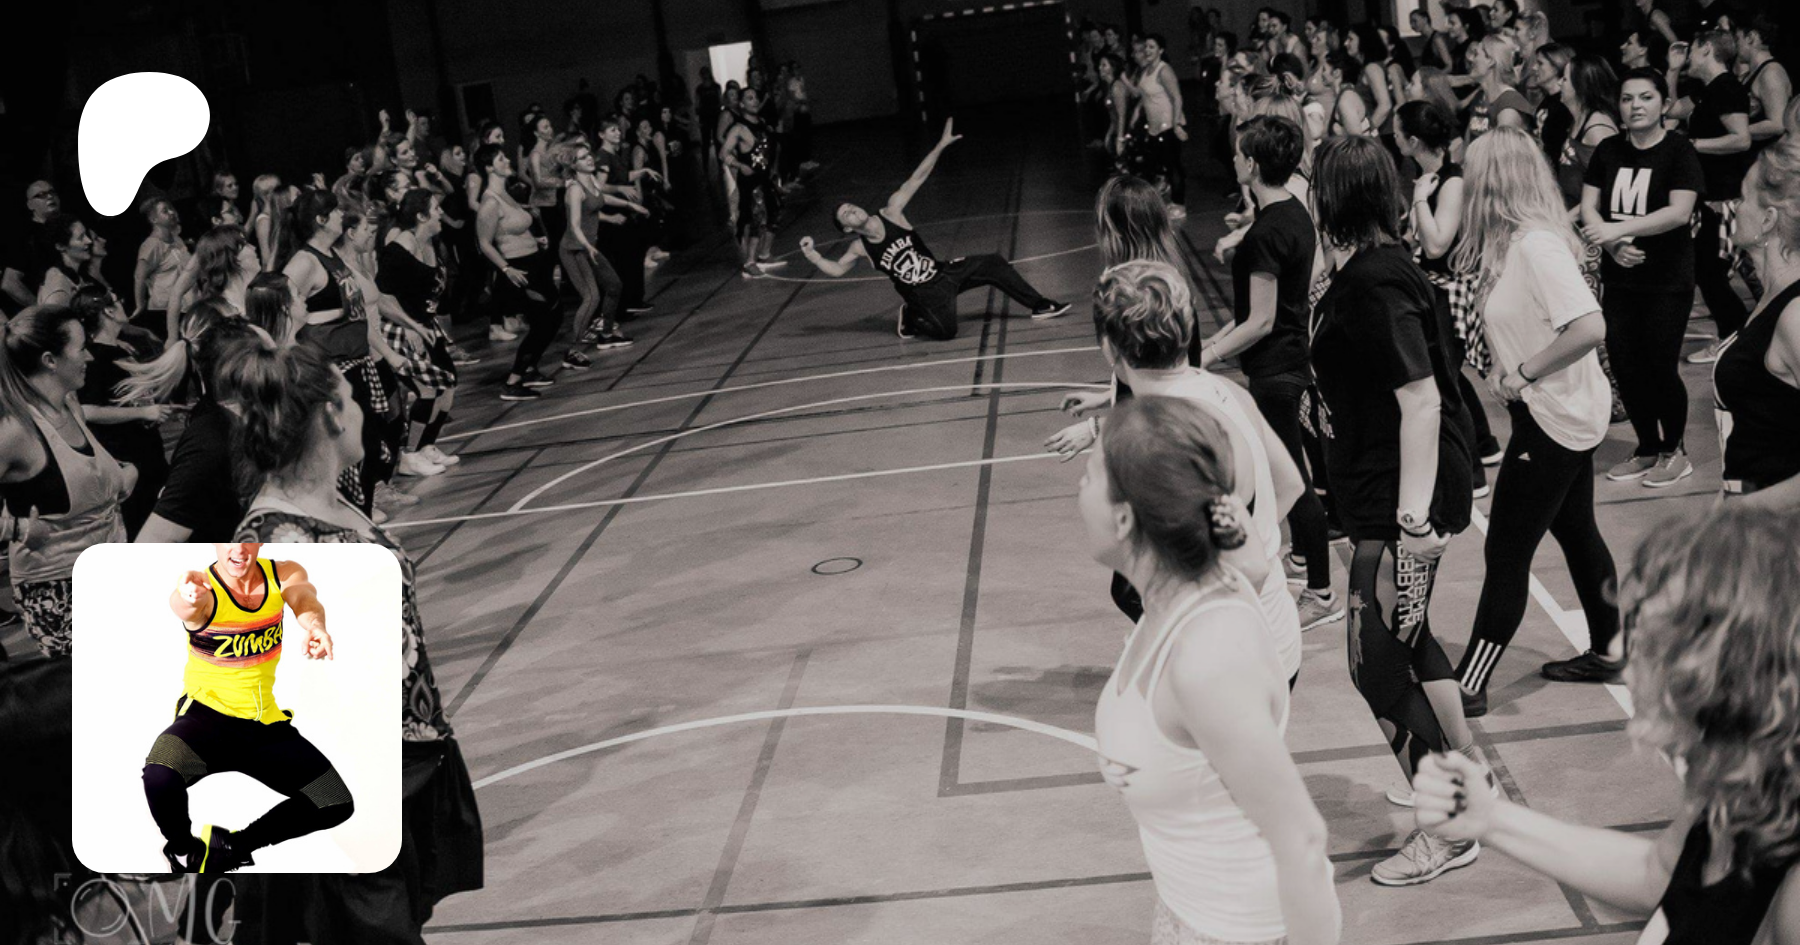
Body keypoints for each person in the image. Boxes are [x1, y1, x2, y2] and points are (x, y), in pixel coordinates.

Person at [1412, 503, 1800, 945]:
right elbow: (1657, 875)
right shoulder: (1740, 781)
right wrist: (1491, 818)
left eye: (1652, 642)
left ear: (1727, 672)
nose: (1623, 655)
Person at [221, 340, 481, 940]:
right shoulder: (275, 537)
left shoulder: (336, 504)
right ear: (332, 415)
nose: (367, 409)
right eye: (354, 398)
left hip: (405, 753)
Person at [1086, 395, 1340, 945]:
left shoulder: (1206, 661)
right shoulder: (1190, 593)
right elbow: (1250, 553)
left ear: (1124, 516)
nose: (1078, 492)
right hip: (1186, 910)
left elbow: (1302, 843)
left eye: (1088, 478)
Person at [1308, 135, 1484, 885]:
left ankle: (1451, 827)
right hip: (1380, 488)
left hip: (1398, 503)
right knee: (1409, 641)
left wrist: (1411, 523)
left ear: (1333, 197)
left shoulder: (1377, 280)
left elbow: (1421, 398)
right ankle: (1465, 770)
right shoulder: (1365, 268)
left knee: (1374, 666)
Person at [1448, 128, 1622, 708]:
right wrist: (1509, 365)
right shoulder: (1516, 243)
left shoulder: (1537, 247)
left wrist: (1524, 372)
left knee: (1506, 553)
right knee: (1577, 531)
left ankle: (1469, 685)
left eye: (1472, 172)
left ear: (1493, 180)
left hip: (1553, 419)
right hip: (1554, 412)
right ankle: (1611, 649)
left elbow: (1589, 327)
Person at [1086, 260, 1308, 688]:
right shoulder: (1225, 390)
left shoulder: (1170, 435)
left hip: (1234, 658)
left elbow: (1251, 569)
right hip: (1273, 632)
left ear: (1109, 348)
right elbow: (1290, 486)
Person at [1198, 116, 1341, 630]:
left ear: (1253, 165)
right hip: (1291, 358)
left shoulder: (1265, 234)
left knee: (1292, 481)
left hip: (1276, 370)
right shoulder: (1293, 213)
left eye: (1240, 153)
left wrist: (1207, 355)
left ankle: (1321, 593)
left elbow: (1259, 321)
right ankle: (1303, 561)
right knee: (1289, 474)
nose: (1234, 159)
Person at [142, 543, 351, 873]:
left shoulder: (283, 573)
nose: (238, 550)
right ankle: (183, 852)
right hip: (205, 719)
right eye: (229, 542)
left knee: (334, 801)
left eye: (246, 541)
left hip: (263, 725)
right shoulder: (205, 590)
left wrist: (315, 626)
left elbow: (304, 598)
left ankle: (233, 846)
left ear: (259, 540)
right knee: (159, 773)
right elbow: (183, 606)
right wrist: (187, 597)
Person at [800, 120, 1070, 340]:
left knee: (993, 263)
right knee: (946, 332)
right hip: (924, 294)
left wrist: (940, 146)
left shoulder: (892, 211)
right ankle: (911, 315)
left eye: (850, 206)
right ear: (848, 228)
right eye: (846, 214)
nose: (852, 210)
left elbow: (917, 177)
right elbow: (837, 269)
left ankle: (1040, 305)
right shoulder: (860, 247)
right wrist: (814, 256)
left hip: (943, 272)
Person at [1582, 69, 1704, 488]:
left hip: (1667, 279)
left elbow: (1679, 212)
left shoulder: (1678, 151)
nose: (1635, 106)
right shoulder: (1609, 150)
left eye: (1646, 97)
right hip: (1621, 279)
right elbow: (1590, 206)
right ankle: (1647, 446)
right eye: (1627, 98)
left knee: (1660, 366)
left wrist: (1615, 230)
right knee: (1624, 364)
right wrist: (1613, 245)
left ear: (1664, 104)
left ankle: (1675, 451)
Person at [0, 305, 133, 658]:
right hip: (59, 589)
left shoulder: (69, 405)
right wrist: (16, 528)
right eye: (81, 348)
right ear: (50, 360)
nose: (89, 357)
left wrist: (123, 472)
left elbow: (84, 471)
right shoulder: (15, 430)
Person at [1712, 138, 1800, 505]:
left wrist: (1748, 510)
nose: (1733, 207)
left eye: (1743, 198)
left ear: (1768, 219)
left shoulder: (1795, 315)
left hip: (1779, 527)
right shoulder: (1770, 298)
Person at [136, 318, 264, 543]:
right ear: (246, 371)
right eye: (268, 357)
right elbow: (152, 542)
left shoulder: (254, 421)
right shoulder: (210, 440)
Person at [1670, 31, 1754, 365]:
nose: (1688, 55)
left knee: (1712, 274)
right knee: (1710, 273)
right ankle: (1740, 336)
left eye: (1692, 49)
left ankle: (1734, 337)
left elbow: (1741, 139)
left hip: (1724, 198)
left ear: (1706, 49)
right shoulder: (1706, 90)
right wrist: (1672, 70)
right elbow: (1672, 110)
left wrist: (1694, 145)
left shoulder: (1727, 88)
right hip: (1708, 196)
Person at [70, 285, 174, 539]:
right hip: (127, 454)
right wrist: (144, 413)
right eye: (117, 300)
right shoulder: (95, 359)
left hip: (145, 450)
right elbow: (87, 411)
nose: (121, 305)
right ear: (107, 311)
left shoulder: (121, 347)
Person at [473, 144, 561, 401]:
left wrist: (536, 240)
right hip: (518, 269)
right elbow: (484, 243)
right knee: (543, 320)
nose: (507, 161)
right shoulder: (490, 202)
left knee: (554, 315)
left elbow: (516, 227)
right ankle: (513, 380)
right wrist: (506, 268)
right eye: (501, 158)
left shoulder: (507, 195)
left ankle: (530, 368)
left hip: (535, 263)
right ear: (489, 167)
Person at [560, 142, 634, 353]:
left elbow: (601, 198)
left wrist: (629, 204)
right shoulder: (575, 189)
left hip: (589, 247)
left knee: (614, 286)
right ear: (574, 165)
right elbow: (574, 225)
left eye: (589, 155)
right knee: (592, 297)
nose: (590, 159)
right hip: (575, 249)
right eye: (583, 157)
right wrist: (587, 246)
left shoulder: (591, 180)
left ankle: (607, 335)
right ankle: (573, 352)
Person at [721, 87, 785, 278]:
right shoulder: (739, 128)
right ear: (741, 104)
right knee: (758, 218)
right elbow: (723, 153)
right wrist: (739, 165)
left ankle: (764, 255)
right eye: (749, 98)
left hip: (765, 178)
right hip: (751, 181)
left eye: (756, 97)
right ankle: (749, 262)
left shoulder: (762, 123)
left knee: (775, 213)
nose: (755, 101)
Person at [1135, 34, 1190, 219]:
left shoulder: (1164, 70)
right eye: (1146, 47)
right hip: (1153, 127)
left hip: (1168, 125)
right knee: (1152, 164)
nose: (1147, 50)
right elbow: (1142, 96)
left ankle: (1179, 204)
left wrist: (1176, 124)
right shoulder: (1146, 70)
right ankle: (1163, 189)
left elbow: (1177, 97)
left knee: (1173, 165)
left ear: (1161, 50)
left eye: (1152, 47)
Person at [131, 196, 190, 345]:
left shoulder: (176, 240)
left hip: (183, 307)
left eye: (171, 209)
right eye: (165, 211)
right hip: (164, 310)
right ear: (154, 219)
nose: (171, 213)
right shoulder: (152, 245)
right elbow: (139, 276)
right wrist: (140, 304)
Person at [1735, 16, 1790, 154]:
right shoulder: (1751, 73)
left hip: (1765, 157)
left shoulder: (1771, 73)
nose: (1736, 46)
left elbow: (1777, 124)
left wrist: (1734, 132)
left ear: (1750, 37)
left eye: (1737, 39)